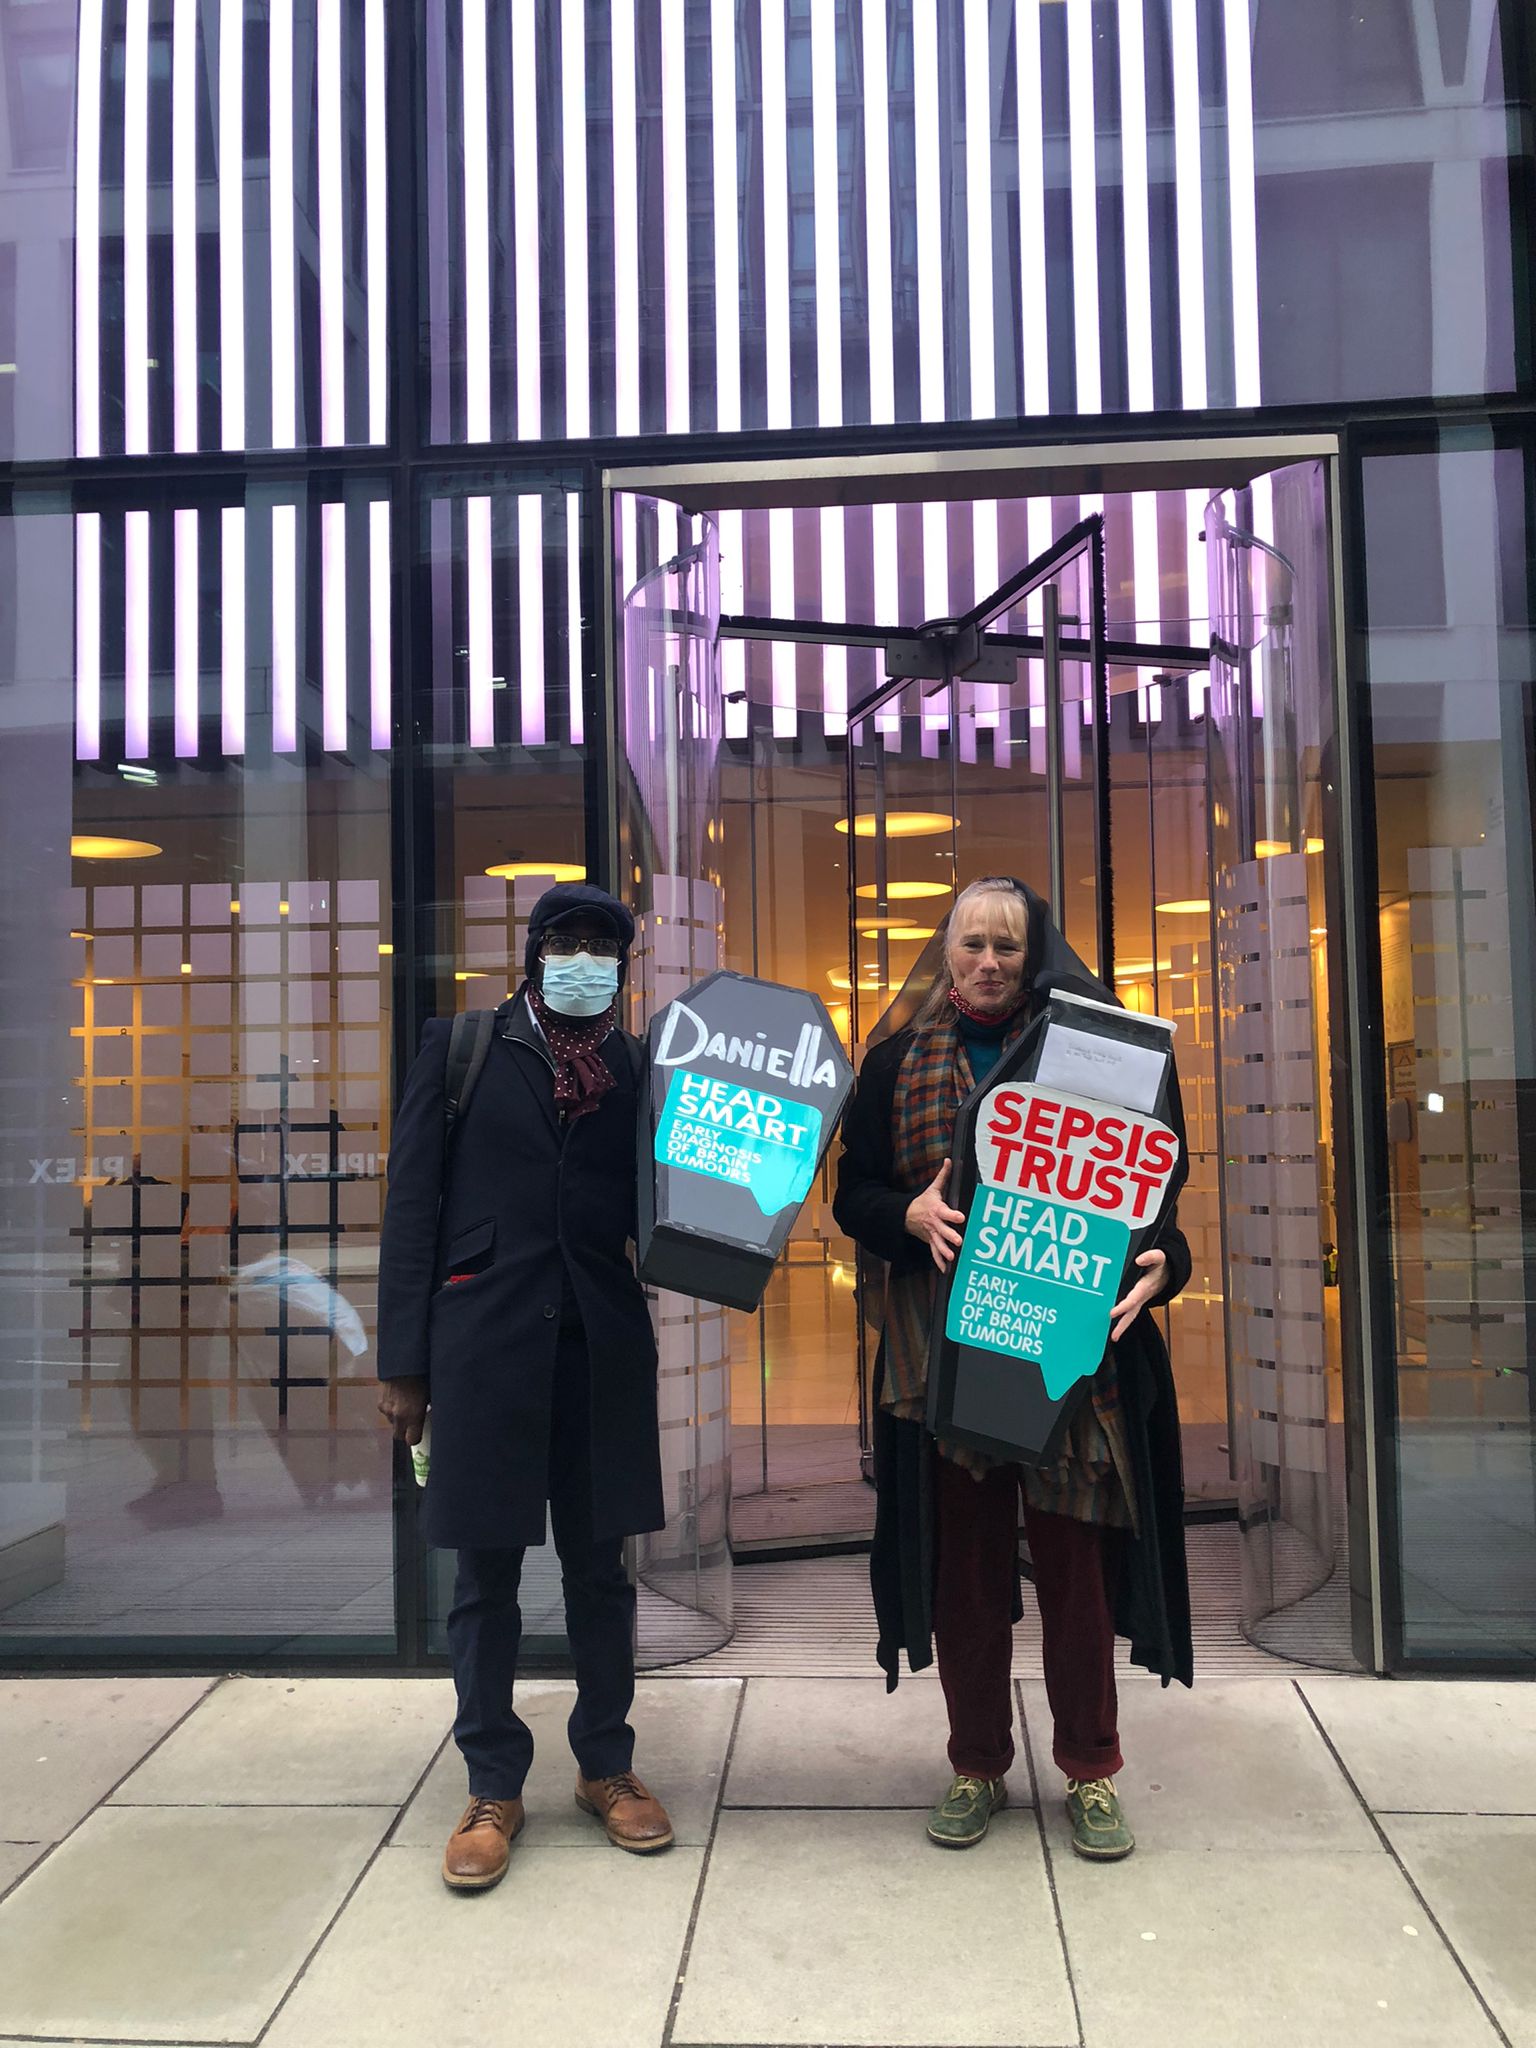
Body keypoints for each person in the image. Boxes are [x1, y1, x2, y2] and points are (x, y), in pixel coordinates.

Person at [833, 876, 1192, 1860]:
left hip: (1070, 1369)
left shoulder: (1098, 1060)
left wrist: (1167, 1261)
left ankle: (1091, 1768)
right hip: (942, 1363)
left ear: (1034, 956)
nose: (989, 962)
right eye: (972, 943)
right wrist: (905, 1212)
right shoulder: (892, 1064)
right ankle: (977, 1762)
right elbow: (852, 1194)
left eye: (1008, 945)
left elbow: (1156, 1195)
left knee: (1079, 1574)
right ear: (946, 952)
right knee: (967, 1573)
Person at [376, 882, 673, 1891]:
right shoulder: (461, 1047)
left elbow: (670, 1195)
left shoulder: (637, 1066)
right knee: (485, 1580)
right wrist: (403, 1364)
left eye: (604, 946)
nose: (585, 959)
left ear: (622, 966)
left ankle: (605, 1764)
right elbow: (411, 1207)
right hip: (484, 1346)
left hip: (599, 1346)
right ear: (536, 950)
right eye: (568, 941)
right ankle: (491, 1781)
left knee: (602, 1573)